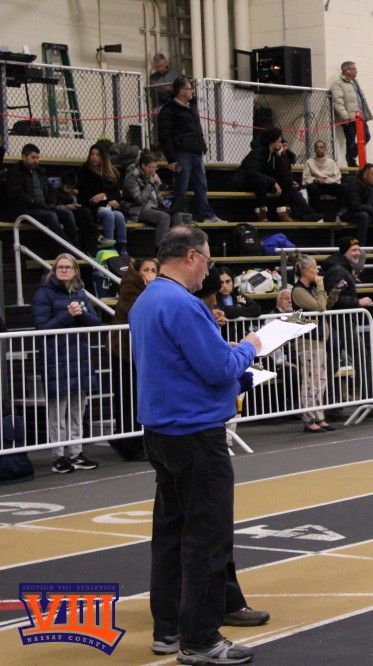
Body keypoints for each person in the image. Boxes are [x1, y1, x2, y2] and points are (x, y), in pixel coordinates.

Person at [129, 225, 265, 663]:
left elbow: (176, 362)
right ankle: (202, 639)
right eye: (206, 260)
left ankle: (168, 628)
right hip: (196, 431)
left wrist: (225, 356)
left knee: (170, 533)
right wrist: (249, 347)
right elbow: (217, 369)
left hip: (161, 430)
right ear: (190, 256)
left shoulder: (147, 299)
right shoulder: (183, 304)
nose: (208, 270)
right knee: (207, 536)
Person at [33, 254, 101, 474]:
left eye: (68, 267)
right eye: (60, 267)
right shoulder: (43, 293)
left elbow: (95, 321)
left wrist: (80, 314)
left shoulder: (80, 292)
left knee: (77, 409)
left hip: (79, 357)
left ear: (75, 271)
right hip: (56, 358)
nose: (64, 270)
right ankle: (58, 456)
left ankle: (76, 453)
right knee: (57, 411)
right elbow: (42, 327)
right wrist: (68, 314)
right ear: (53, 270)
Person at [108, 257, 159, 462]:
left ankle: (138, 440)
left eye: (153, 270)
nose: (150, 274)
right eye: (146, 269)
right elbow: (135, 312)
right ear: (138, 272)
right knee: (127, 397)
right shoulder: (129, 287)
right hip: (124, 350)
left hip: (141, 352)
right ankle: (128, 441)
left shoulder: (155, 289)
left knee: (140, 396)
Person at [158, 76, 224, 222]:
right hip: (181, 154)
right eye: (189, 88)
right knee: (181, 187)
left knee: (202, 186)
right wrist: (171, 158)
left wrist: (202, 145)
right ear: (181, 91)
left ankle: (208, 215)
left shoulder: (191, 107)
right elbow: (164, 136)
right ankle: (182, 217)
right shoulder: (169, 110)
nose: (192, 91)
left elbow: (197, 129)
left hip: (196, 153)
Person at [289, 253, 337, 434]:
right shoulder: (298, 291)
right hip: (308, 342)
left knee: (320, 380)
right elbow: (320, 307)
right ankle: (309, 419)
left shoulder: (311, 288)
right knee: (309, 382)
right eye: (315, 268)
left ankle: (319, 416)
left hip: (319, 340)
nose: (317, 271)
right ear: (305, 271)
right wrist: (321, 287)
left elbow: (325, 305)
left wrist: (334, 292)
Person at [6, 144, 77, 243]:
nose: (36, 160)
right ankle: (68, 247)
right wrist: (38, 204)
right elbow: (19, 195)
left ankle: (74, 245)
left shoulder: (40, 173)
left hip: (44, 207)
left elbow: (51, 191)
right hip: (27, 210)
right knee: (51, 216)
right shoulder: (14, 173)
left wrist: (51, 204)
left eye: (37, 158)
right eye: (33, 157)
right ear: (23, 157)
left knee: (67, 213)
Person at [123, 150, 186, 250]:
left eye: (155, 167)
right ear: (143, 165)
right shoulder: (131, 177)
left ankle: (178, 248)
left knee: (176, 215)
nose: (153, 170)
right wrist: (150, 183)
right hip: (136, 208)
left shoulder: (152, 175)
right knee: (164, 217)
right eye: (150, 167)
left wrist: (163, 202)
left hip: (152, 206)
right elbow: (139, 199)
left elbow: (157, 192)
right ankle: (161, 250)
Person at [77, 143, 128, 253]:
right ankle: (109, 247)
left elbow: (117, 195)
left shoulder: (111, 172)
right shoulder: (84, 171)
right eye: (92, 154)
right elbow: (85, 198)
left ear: (103, 157)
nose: (94, 157)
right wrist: (105, 201)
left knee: (119, 216)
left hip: (108, 206)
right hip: (93, 208)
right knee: (108, 215)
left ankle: (122, 248)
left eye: (97, 155)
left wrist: (105, 197)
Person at [332, 61, 373, 167]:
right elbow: (338, 102)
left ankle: (351, 155)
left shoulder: (354, 82)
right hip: (350, 118)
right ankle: (351, 160)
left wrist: (365, 114)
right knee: (350, 140)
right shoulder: (338, 84)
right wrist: (345, 116)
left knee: (367, 136)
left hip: (360, 117)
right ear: (347, 71)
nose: (357, 71)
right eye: (354, 69)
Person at [320, 237, 373, 310]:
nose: (358, 253)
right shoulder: (337, 270)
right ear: (344, 252)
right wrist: (357, 302)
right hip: (339, 315)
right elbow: (331, 299)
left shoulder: (344, 267)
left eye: (359, 250)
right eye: (354, 250)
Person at [303, 140, 343, 210]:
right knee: (312, 188)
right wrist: (316, 180)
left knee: (343, 188)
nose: (319, 149)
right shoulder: (309, 162)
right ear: (314, 149)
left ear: (325, 149)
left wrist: (327, 181)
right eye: (317, 147)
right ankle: (317, 212)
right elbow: (306, 178)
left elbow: (337, 177)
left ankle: (340, 211)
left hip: (328, 184)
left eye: (321, 147)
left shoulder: (331, 162)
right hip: (316, 184)